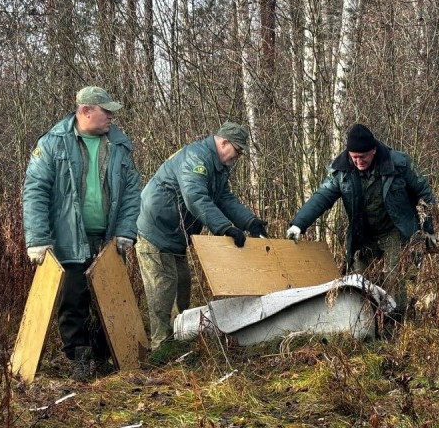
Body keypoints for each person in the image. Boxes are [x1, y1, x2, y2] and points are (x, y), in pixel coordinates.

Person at [23, 86, 141, 381]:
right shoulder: (52, 143)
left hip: (108, 238)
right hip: (68, 238)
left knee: (109, 299)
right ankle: (79, 358)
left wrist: (126, 231)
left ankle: (105, 358)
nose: (111, 117)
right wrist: (37, 238)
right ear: (86, 110)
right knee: (74, 300)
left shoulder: (120, 146)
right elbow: (35, 191)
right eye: (106, 111)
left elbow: (131, 194)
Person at [136, 122, 269, 351]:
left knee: (183, 286)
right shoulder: (196, 159)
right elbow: (195, 197)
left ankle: (177, 341)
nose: (238, 157)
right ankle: (161, 348)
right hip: (156, 230)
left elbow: (224, 198)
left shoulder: (218, 165)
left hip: (176, 235)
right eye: (237, 151)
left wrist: (250, 223)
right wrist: (225, 228)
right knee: (163, 288)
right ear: (223, 142)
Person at [286, 123, 437, 319]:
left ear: (373, 150)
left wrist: (430, 228)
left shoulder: (398, 163)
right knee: (360, 281)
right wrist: (299, 223)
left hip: (394, 229)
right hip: (362, 232)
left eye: (363, 157)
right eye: (354, 156)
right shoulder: (341, 171)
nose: (358, 161)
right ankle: (367, 322)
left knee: (394, 278)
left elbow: (424, 193)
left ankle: (395, 322)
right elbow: (322, 196)